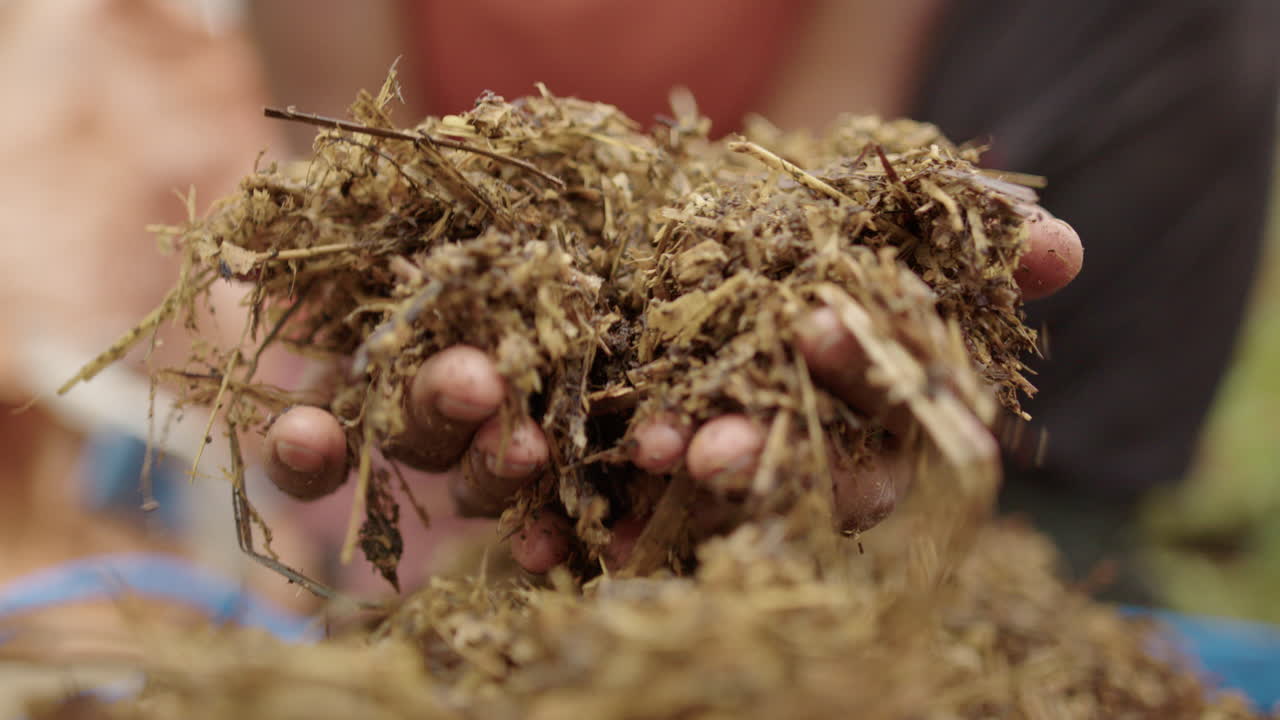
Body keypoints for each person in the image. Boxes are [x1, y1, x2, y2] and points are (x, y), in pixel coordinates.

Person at [246, 0, 1278, 591]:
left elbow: (805, 146)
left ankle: (1042, 525)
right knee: (437, 505)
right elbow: (357, 148)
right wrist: (404, 315)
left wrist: (771, 277)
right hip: (489, 269)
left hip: (765, 164)